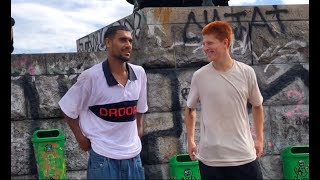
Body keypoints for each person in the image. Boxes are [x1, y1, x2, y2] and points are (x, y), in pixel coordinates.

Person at [58, 25, 148, 179]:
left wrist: (139, 130)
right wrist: (80, 138)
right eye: (122, 40)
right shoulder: (91, 77)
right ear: (108, 43)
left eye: (130, 41)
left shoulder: (139, 73)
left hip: (134, 157)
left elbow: (140, 108)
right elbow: (67, 108)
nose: (128, 45)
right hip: (103, 159)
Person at [184, 21, 264, 180]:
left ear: (225, 42)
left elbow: (257, 106)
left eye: (209, 43)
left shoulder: (246, 72)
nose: (205, 48)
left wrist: (260, 139)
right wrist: (191, 140)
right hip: (211, 159)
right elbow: (190, 109)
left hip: (244, 154)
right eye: (203, 43)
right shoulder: (200, 76)